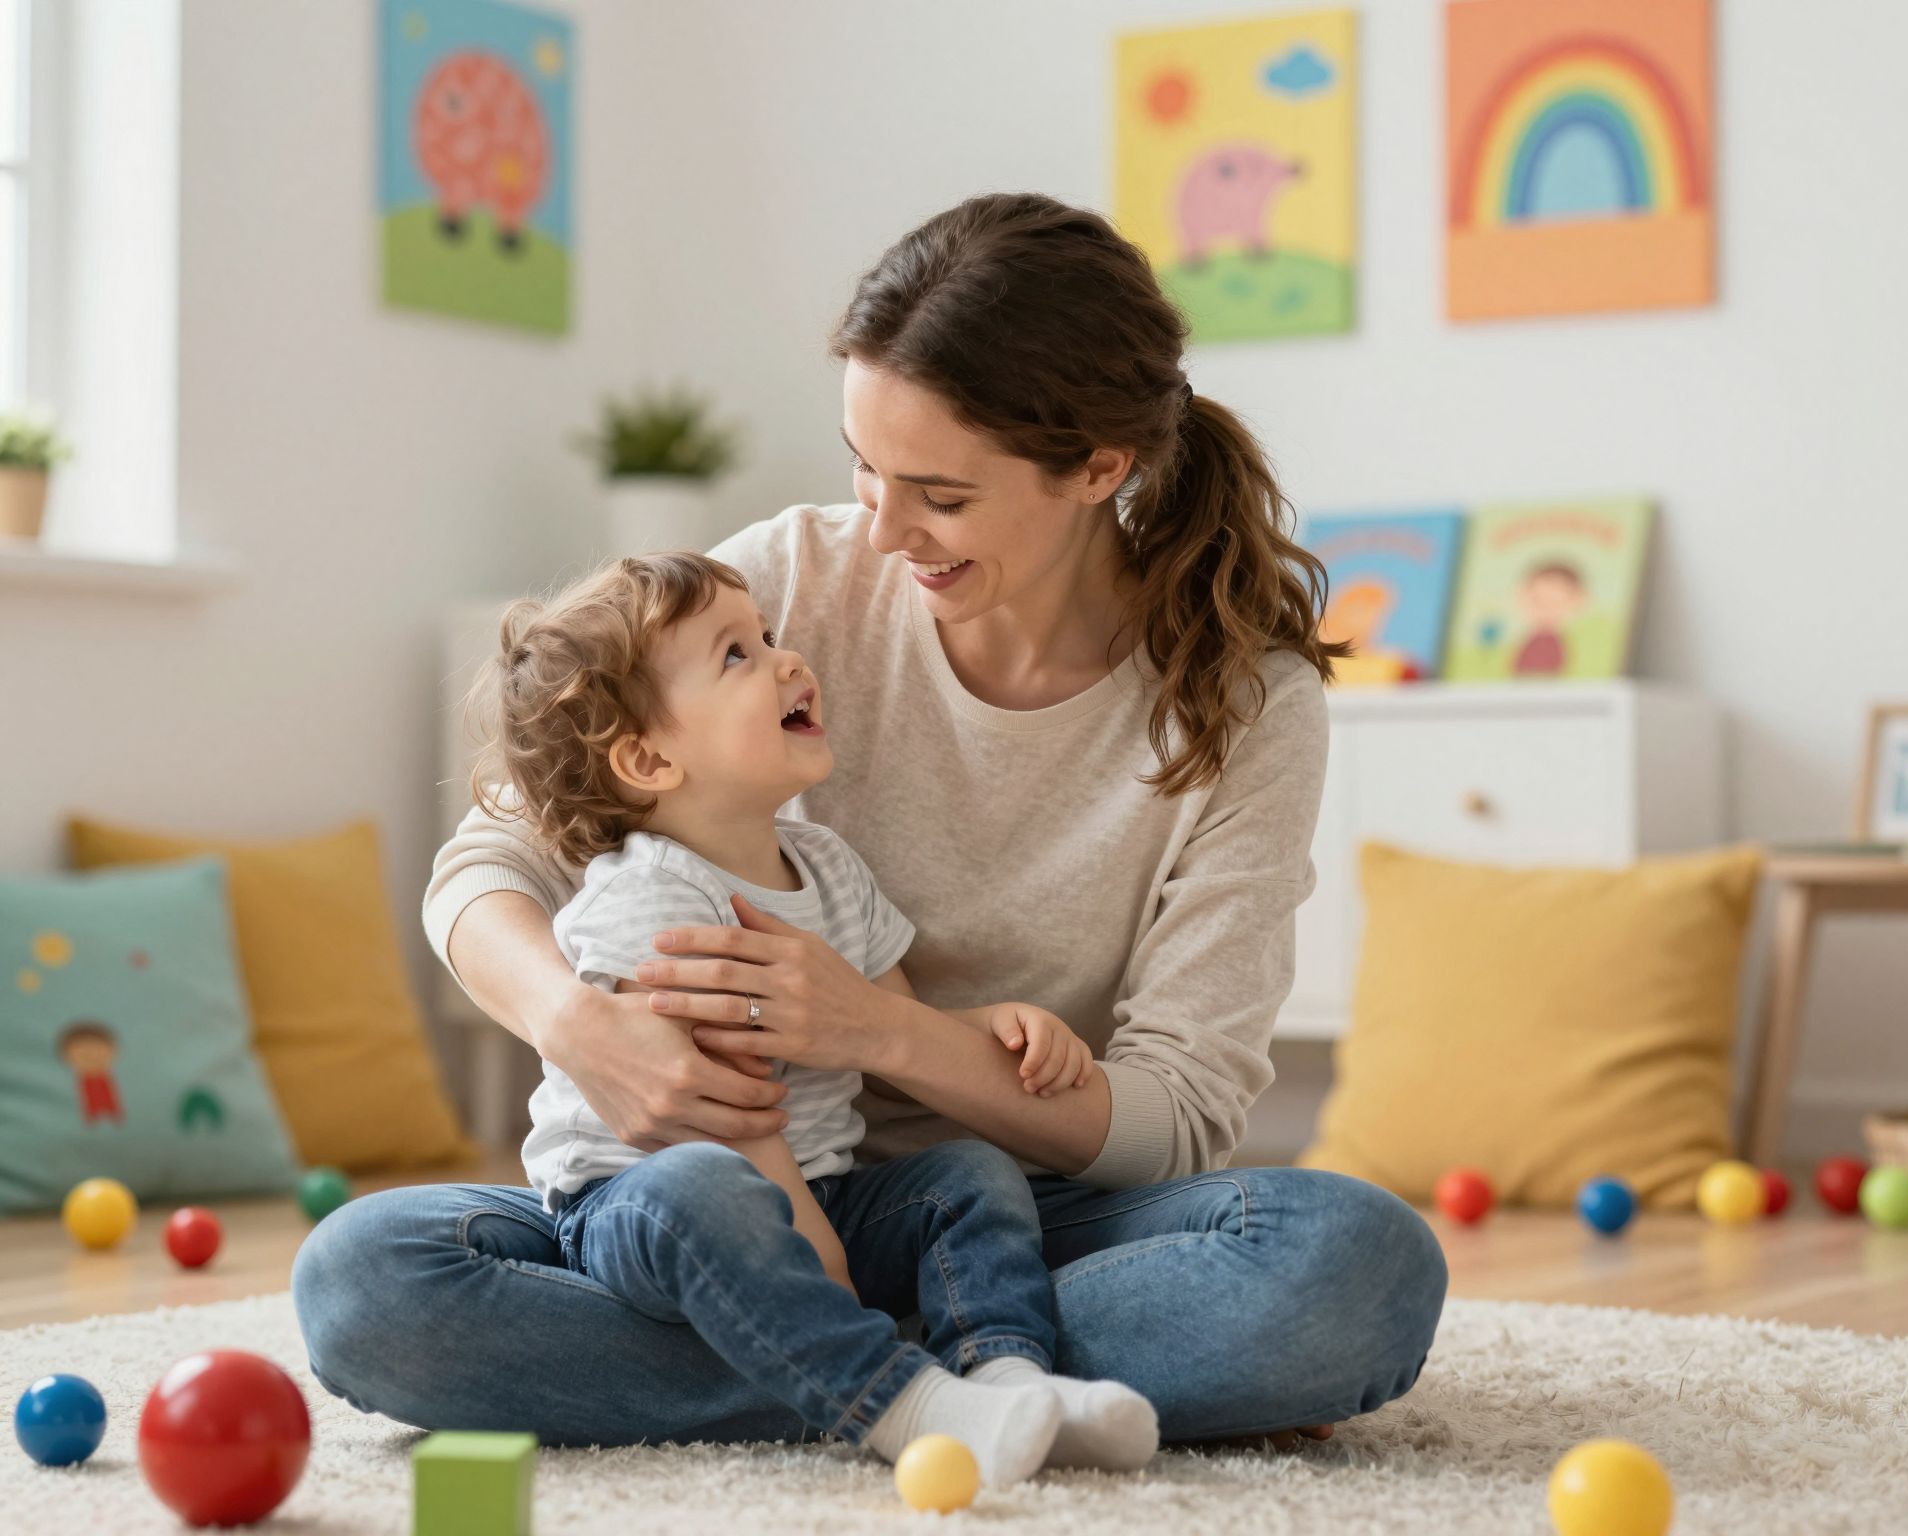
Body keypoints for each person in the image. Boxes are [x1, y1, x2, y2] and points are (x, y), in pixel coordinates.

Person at [291, 190, 1448, 1451]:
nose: (884, 533)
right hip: (715, 1210)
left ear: (1098, 468)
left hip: (1003, 1216)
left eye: (939, 494)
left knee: (1354, 1267)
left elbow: (1173, 1122)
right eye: (864, 467)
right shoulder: (783, 580)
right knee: (364, 1280)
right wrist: (579, 1025)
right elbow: (488, 860)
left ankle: (842, 1363)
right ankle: (949, 1379)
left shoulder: (1239, 702)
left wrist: (877, 1028)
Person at [453, 548, 1155, 1483]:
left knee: (970, 1175)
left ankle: (1011, 1378)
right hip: (645, 1208)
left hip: (818, 1189)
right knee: (700, 1190)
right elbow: (710, 1109)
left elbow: (897, 1028)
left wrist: (1006, 1026)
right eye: (736, 655)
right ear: (649, 758)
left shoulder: (827, 866)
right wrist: (802, 1236)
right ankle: (903, 1405)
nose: (788, 659)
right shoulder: (647, 896)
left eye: (769, 635)